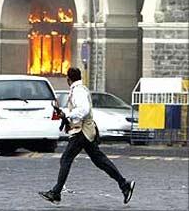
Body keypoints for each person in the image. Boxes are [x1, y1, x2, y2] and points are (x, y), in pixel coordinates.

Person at [39, 67, 135, 205]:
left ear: (68, 79)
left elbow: (83, 110)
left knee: (66, 158)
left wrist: (67, 115)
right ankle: (124, 184)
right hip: (85, 131)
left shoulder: (78, 91)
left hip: (82, 131)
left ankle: (56, 192)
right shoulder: (79, 89)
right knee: (99, 160)